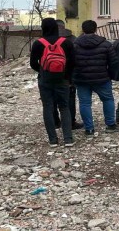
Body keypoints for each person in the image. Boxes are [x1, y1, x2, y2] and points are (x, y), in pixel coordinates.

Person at [30, 18, 76, 147]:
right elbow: (73, 62)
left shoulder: (38, 43)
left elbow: (33, 63)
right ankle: (68, 139)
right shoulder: (66, 42)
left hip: (45, 80)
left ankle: (53, 140)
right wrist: (66, 76)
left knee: (48, 107)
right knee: (64, 107)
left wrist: (42, 71)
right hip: (62, 80)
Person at [72, 20, 119, 135]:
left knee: (84, 103)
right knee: (107, 100)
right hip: (102, 78)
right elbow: (114, 62)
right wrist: (111, 75)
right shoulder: (105, 44)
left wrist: (73, 76)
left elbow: (70, 62)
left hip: (81, 79)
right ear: (96, 29)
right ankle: (110, 125)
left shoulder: (75, 45)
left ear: (82, 29)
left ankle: (89, 129)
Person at [52, 19, 83, 130]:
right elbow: (77, 57)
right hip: (68, 74)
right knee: (69, 99)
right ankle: (70, 122)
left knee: (52, 99)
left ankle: (55, 122)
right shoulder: (72, 39)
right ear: (64, 26)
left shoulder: (46, 40)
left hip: (50, 74)